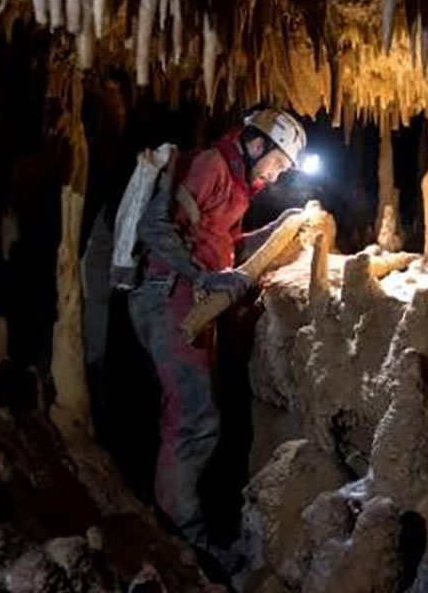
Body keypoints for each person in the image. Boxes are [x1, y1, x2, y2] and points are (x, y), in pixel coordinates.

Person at [128, 106, 307, 552]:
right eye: (277, 163)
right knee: (193, 417)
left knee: (193, 410)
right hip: (168, 294)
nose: (276, 175)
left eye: (283, 170)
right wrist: (203, 276)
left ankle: (180, 516)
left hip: (190, 296)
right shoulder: (211, 165)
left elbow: (223, 247)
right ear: (256, 144)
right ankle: (182, 537)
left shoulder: (237, 186)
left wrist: (279, 229)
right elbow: (155, 228)